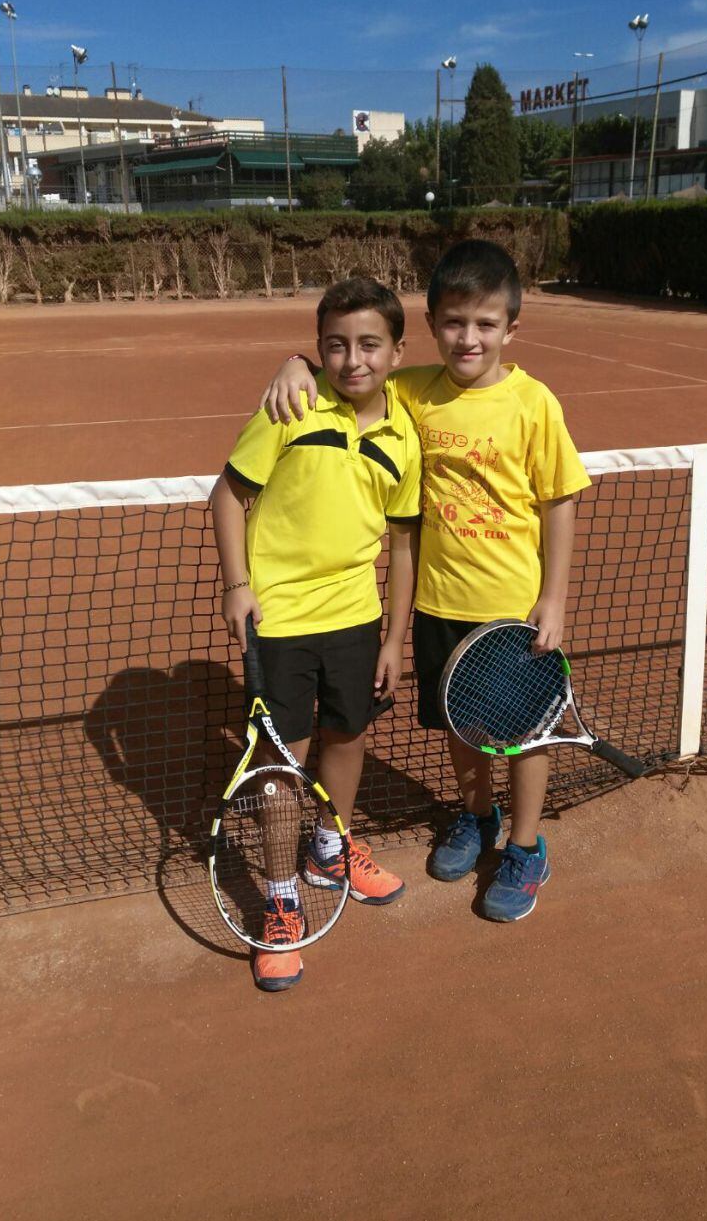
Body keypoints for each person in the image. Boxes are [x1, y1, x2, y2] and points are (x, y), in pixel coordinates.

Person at [258, 239, 591, 924]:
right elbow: (351, 370)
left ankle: (525, 846)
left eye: (485, 324)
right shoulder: (412, 391)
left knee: (528, 734)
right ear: (432, 324)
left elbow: (561, 501)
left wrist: (553, 597)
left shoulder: (534, 404)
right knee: (462, 728)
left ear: (511, 329)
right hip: (441, 604)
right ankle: (477, 816)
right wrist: (297, 361)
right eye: (453, 322)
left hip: (513, 612)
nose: (468, 338)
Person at [212, 277, 421, 991]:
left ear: (398, 350)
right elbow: (229, 495)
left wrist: (394, 637)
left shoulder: (404, 436)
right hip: (281, 621)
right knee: (278, 767)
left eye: (369, 344)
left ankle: (330, 849)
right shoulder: (291, 404)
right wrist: (238, 584)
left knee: (349, 735)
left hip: (356, 619)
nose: (352, 359)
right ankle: (278, 901)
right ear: (319, 348)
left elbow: (400, 544)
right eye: (334, 344)